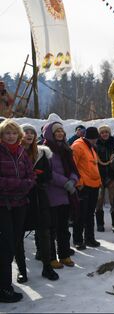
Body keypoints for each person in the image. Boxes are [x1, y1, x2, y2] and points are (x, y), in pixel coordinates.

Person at [17, 124, 59, 282]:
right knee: (18, 235)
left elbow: (48, 176)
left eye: (32, 133)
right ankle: (22, 270)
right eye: (26, 132)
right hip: (20, 198)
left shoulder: (42, 153)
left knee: (44, 233)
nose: (29, 135)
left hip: (39, 197)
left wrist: (36, 176)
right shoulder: (15, 153)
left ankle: (47, 267)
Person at [0, 119, 35, 303]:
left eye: (14, 133)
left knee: (14, 243)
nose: (11, 136)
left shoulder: (22, 152)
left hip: (20, 204)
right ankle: (4, 288)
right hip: (3, 205)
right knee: (5, 246)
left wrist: (24, 185)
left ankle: (6, 284)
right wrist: (20, 185)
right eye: (7, 133)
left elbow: (31, 177)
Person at [42, 121, 79, 270]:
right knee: (51, 228)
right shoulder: (44, 150)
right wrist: (66, 182)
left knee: (63, 227)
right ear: (50, 133)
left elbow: (74, 168)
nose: (60, 133)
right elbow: (48, 173)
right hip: (52, 194)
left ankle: (64, 255)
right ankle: (51, 257)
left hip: (66, 194)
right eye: (56, 131)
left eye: (61, 131)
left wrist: (73, 180)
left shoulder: (66, 149)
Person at [71, 127, 102, 250]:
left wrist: (99, 182)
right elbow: (73, 166)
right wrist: (79, 183)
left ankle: (90, 238)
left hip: (94, 185)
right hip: (83, 186)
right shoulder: (78, 146)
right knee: (80, 214)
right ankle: (78, 240)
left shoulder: (90, 147)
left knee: (89, 214)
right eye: (93, 139)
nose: (95, 141)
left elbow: (93, 166)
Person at [95, 125, 114, 233]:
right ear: (99, 134)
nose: (104, 134)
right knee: (99, 202)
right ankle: (100, 224)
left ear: (109, 133)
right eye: (102, 133)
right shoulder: (95, 145)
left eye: (106, 132)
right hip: (99, 177)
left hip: (112, 176)